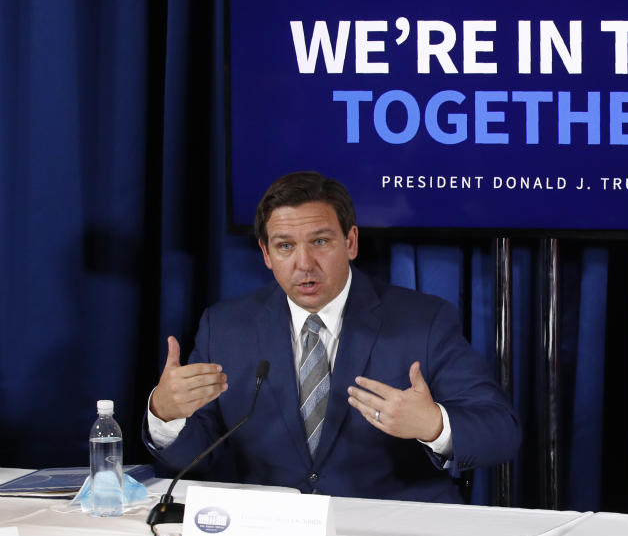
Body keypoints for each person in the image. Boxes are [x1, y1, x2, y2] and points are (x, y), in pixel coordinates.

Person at [144, 171, 520, 503]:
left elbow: (502, 432)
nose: (304, 263)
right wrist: (164, 413)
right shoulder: (224, 327)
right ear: (266, 254)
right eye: (285, 246)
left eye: (320, 242)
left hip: (394, 534)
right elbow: (194, 457)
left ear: (351, 242)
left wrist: (434, 425)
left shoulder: (423, 320)